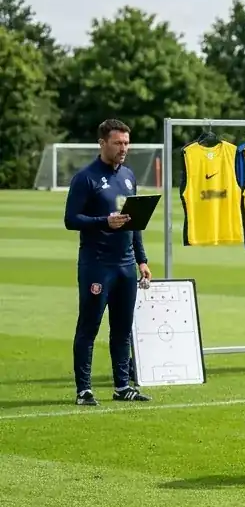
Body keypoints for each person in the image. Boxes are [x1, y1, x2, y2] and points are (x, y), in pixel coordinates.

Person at [64, 119, 154, 406]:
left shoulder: (128, 175)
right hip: (97, 264)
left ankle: (122, 386)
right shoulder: (86, 178)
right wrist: (104, 221)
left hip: (125, 265)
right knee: (89, 326)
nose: (123, 148)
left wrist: (142, 259)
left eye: (127, 143)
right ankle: (84, 390)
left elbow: (133, 223)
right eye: (118, 143)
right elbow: (71, 219)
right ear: (103, 143)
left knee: (123, 328)